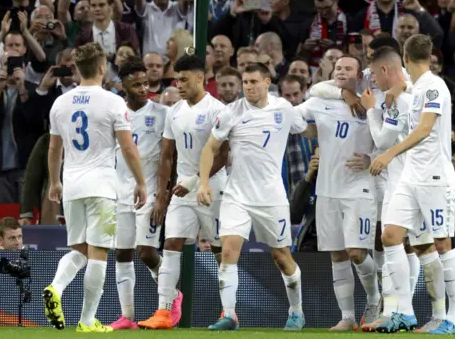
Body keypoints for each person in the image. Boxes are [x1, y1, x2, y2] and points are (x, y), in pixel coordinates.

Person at [191, 63, 307, 331]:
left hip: (271, 197)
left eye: (254, 81)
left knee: (281, 257)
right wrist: (204, 182)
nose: (249, 87)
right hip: (237, 195)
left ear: (268, 82)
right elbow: (211, 148)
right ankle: (230, 314)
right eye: (245, 82)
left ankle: (296, 312)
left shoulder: (284, 109)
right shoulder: (231, 113)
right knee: (229, 250)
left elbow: (307, 126)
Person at [43, 43, 147, 333]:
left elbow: (53, 149)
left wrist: (55, 181)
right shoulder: (113, 102)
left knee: (79, 249)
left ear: (77, 68)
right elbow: (127, 146)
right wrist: (140, 182)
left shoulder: (60, 103)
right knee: (99, 251)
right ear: (102, 68)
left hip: (72, 184)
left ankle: (56, 286)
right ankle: (87, 321)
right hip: (102, 185)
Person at [370, 34, 455, 335]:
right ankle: (404, 313)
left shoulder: (434, 86)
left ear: (406, 58)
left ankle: (453, 319)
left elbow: (425, 128)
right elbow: (404, 86)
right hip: (411, 176)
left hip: (435, 177)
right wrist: (397, 89)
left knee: (442, 244)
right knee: (391, 235)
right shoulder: (417, 86)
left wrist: (389, 153)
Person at [138, 55, 229, 330]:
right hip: (181, 191)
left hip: (211, 187)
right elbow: (166, 155)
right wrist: (162, 193)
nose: (178, 84)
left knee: (218, 249)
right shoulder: (174, 111)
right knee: (172, 243)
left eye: (184, 79)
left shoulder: (218, 110)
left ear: (200, 77)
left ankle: (229, 311)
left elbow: (224, 154)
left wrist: (193, 180)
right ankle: (164, 311)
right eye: (176, 79)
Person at [296, 56, 381, 331]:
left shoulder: (371, 99)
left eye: (348, 69)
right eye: (338, 69)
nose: (342, 71)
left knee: (356, 252)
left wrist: (373, 158)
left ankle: (373, 297)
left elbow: (389, 136)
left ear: (360, 74)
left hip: (359, 186)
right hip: (327, 189)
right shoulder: (321, 99)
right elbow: (300, 113)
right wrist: (309, 129)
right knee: (337, 255)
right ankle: (347, 316)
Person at [358, 46, 431, 333]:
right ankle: (399, 309)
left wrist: (371, 111)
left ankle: (401, 310)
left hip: (401, 180)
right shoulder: (412, 90)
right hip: (411, 178)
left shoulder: (398, 99)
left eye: (375, 73)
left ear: (386, 70)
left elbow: (382, 141)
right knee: (407, 246)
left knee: (398, 243)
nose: (373, 80)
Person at [109, 58, 168, 330]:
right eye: (137, 84)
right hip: (120, 192)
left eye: (146, 83)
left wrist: (164, 194)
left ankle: (170, 298)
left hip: (151, 191)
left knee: (146, 251)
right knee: (122, 254)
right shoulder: (115, 113)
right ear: (124, 86)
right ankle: (128, 317)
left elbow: (170, 156)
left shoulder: (162, 114)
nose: (144, 88)